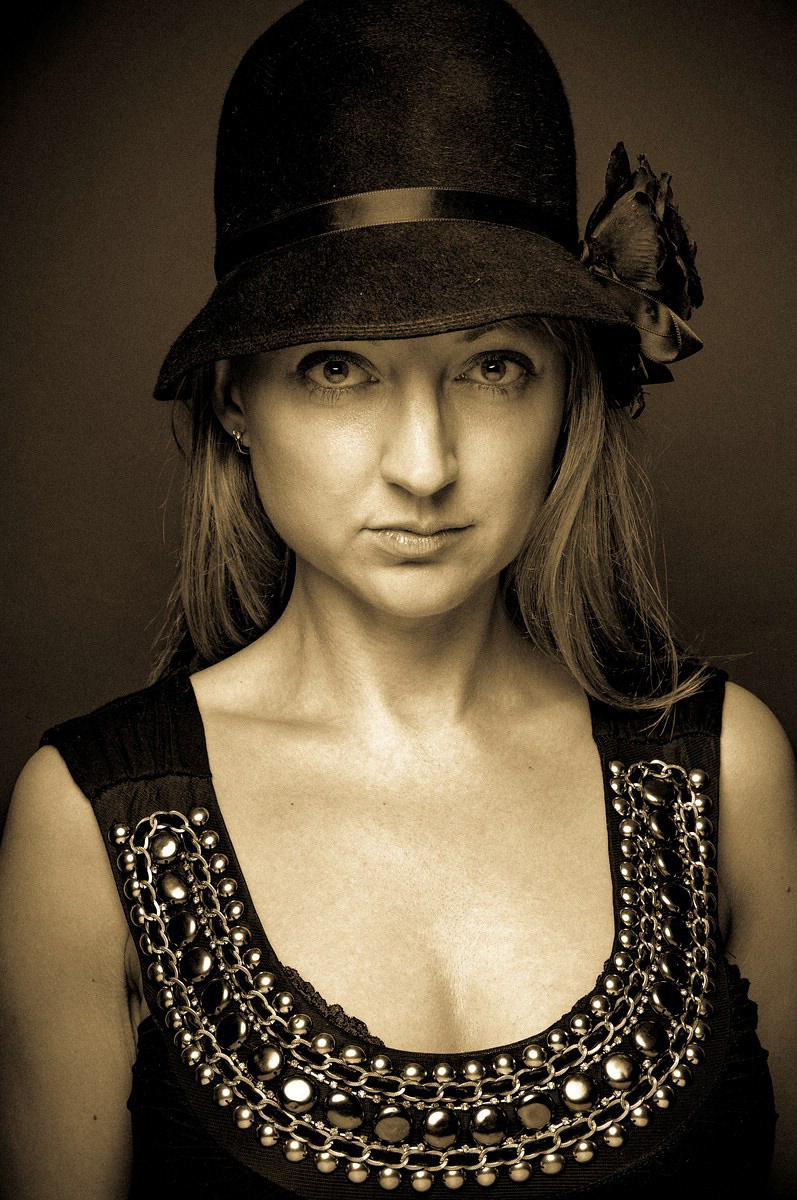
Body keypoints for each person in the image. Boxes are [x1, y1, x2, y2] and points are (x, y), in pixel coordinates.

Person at [0, 0, 794, 1197]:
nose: (423, 465)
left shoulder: (725, 776)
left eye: (493, 367)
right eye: (338, 369)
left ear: (569, 393)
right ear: (233, 399)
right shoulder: (86, 825)